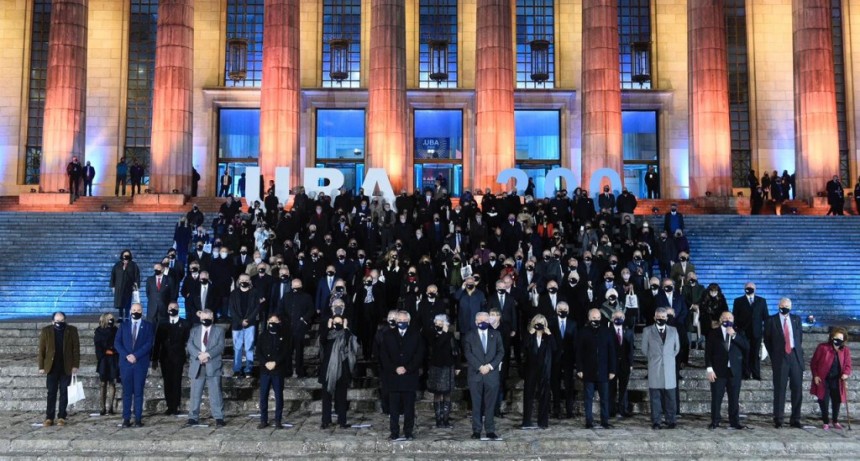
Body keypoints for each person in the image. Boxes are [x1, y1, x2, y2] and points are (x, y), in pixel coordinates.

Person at [380, 310, 425, 440]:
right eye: (399, 321)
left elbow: (419, 354)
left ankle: (408, 432)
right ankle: (394, 432)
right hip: (393, 377)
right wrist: (395, 368)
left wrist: (407, 368)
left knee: (409, 408)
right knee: (393, 408)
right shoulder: (388, 335)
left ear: (409, 322)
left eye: (404, 321)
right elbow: (384, 355)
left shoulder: (416, 335)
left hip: (409, 377)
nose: (402, 323)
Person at [763, 297, 804, 428]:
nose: (784, 307)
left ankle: (795, 419)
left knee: (797, 389)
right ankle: (778, 419)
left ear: (790, 307)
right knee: (780, 389)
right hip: (780, 358)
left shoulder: (796, 320)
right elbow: (767, 340)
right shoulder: (771, 320)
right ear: (778, 305)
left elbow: (799, 338)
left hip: (795, 357)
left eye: (787, 305)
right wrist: (774, 355)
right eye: (782, 305)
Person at [705, 311, 749, 429]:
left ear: (733, 320)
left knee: (734, 398)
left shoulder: (739, 332)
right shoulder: (713, 333)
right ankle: (715, 421)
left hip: (734, 371)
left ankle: (734, 422)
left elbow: (746, 346)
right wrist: (709, 369)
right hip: (718, 371)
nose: (727, 319)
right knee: (716, 397)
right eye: (724, 317)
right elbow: (708, 352)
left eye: (729, 317)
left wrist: (734, 335)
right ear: (720, 320)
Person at [463, 311, 504, 440]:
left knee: (490, 405)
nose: (483, 323)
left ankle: (490, 430)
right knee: (476, 405)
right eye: (480, 321)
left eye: (485, 321)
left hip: (491, 375)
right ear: (476, 322)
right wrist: (480, 367)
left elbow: (501, 352)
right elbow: (468, 353)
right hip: (476, 375)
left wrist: (490, 366)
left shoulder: (496, 334)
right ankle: (476, 430)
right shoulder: (469, 335)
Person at [114, 303, 155, 428]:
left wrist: (135, 355)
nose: (136, 312)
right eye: (134, 310)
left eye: (138, 310)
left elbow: (149, 343)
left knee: (138, 392)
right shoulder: (124, 326)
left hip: (140, 363)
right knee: (126, 392)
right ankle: (126, 418)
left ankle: (138, 418)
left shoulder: (148, 326)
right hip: (126, 364)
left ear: (142, 311)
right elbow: (117, 343)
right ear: (130, 311)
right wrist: (127, 355)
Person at [37, 312, 80, 427]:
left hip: (66, 366)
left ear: (65, 320)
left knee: (64, 392)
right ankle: (49, 417)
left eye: (61, 321)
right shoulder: (46, 331)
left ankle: (61, 416)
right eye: (57, 321)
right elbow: (41, 349)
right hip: (51, 367)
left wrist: (75, 365)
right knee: (51, 393)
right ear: (52, 321)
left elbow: (76, 349)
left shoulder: (72, 330)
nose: (59, 323)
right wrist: (41, 366)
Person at [576, 308, 616, 429]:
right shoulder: (583, 332)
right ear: (589, 318)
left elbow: (612, 352)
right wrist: (579, 369)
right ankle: (589, 421)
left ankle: (605, 421)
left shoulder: (607, 331)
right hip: (588, 371)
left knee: (605, 398)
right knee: (588, 398)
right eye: (594, 318)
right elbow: (579, 352)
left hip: (604, 371)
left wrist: (612, 370)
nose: (596, 320)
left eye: (598, 318)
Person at [186, 309, 226, 427]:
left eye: (208, 317)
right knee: (195, 393)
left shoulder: (219, 330)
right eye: (203, 317)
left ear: (212, 317)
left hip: (212, 364)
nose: (205, 320)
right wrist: (199, 355)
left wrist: (207, 354)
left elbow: (220, 346)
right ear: (200, 318)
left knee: (215, 393)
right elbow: (190, 344)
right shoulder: (194, 330)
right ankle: (193, 417)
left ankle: (219, 417)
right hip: (197, 365)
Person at [641, 307, 680, 429]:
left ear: (667, 318)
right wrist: (655, 358)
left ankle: (671, 420)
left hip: (669, 369)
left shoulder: (673, 331)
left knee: (670, 397)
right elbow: (644, 349)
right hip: (655, 367)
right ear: (654, 317)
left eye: (663, 317)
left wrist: (667, 358)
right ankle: (656, 421)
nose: (661, 319)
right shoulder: (647, 331)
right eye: (658, 317)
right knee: (655, 397)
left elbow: (676, 348)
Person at [319, 313, 359, 429]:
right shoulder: (328, 335)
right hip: (328, 371)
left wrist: (346, 327)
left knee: (341, 397)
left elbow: (351, 344)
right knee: (326, 397)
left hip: (342, 370)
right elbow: (322, 341)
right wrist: (328, 326)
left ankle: (342, 421)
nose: (337, 324)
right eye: (335, 322)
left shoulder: (347, 334)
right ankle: (326, 420)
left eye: (339, 323)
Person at [152, 303, 191, 415]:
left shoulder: (185, 323)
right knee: (167, 381)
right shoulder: (163, 323)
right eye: (170, 308)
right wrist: (154, 358)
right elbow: (157, 342)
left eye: (175, 308)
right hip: (165, 357)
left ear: (178, 309)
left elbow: (187, 341)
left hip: (178, 357)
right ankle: (169, 405)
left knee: (176, 380)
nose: (172, 310)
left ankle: (176, 405)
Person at [810, 327, 853, 430]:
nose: (837, 340)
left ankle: (835, 420)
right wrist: (815, 375)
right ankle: (825, 421)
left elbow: (848, 365)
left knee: (836, 400)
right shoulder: (822, 347)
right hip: (823, 379)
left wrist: (846, 373)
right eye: (835, 337)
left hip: (837, 380)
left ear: (843, 340)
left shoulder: (845, 350)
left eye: (840, 338)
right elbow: (814, 363)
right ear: (832, 337)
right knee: (823, 400)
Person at [521, 314, 556, 429]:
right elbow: (523, 348)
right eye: (537, 322)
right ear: (533, 323)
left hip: (544, 369)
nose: (539, 324)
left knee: (545, 395)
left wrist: (549, 334)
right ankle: (526, 421)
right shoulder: (529, 335)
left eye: (542, 322)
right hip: (531, 369)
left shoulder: (548, 336)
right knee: (528, 395)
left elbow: (555, 348)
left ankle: (543, 422)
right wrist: (529, 334)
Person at [276, 278, 315, 378]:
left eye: (298, 286)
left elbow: (311, 310)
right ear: (291, 286)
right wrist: (284, 320)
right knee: (287, 350)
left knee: (299, 351)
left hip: (300, 328)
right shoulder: (286, 296)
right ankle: (288, 370)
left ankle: (299, 370)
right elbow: (280, 310)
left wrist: (303, 319)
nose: (296, 288)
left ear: (301, 286)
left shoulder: (306, 297)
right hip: (287, 328)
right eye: (294, 286)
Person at [258, 313, 290, 429]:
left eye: (275, 321)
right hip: (265, 370)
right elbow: (259, 352)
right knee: (263, 396)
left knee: (278, 395)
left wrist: (275, 362)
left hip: (277, 370)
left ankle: (278, 420)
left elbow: (285, 352)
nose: (272, 323)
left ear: (279, 323)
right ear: (267, 322)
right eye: (270, 320)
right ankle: (263, 420)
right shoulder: (262, 336)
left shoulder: (284, 336)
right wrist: (265, 363)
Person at [732, 282, 768, 380]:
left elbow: (766, 317)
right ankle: (745, 374)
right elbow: (734, 317)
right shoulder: (738, 301)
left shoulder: (762, 301)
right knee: (745, 353)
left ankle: (756, 374)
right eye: (748, 287)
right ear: (744, 289)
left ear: (755, 289)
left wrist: (766, 332)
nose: (749, 289)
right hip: (743, 332)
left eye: (751, 287)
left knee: (755, 354)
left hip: (757, 332)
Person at [427, 314, 458, 429]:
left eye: (441, 323)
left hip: (448, 367)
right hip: (436, 367)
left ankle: (445, 419)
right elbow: (437, 347)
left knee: (447, 393)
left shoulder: (450, 335)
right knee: (438, 393)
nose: (439, 325)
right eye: (437, 323)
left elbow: (456, 351)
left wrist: (458, 366)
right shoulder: (432, 334)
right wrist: (444, 333)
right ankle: (438, 419)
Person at [548, 301, 577, 419]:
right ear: (556, 310)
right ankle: (556, 409)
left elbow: (575, 343)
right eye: (560, 308)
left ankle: (569, 410)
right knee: (555, 385)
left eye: (565, 308)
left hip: (568, 360)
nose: (562, 311)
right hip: (555, 359)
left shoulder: (573, 324)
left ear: (568, 311)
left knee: (569, 385)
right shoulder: (551, 323)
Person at [229, 274, 261, 378]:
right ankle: (237, 369)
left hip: (250, 324)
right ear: (239, 281)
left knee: (249, 347)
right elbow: (232, 309)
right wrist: (240, 321)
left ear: (249, 281)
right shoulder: (234, 293)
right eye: (242, 279)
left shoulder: (255, 292)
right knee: (237, 348)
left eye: (246, 279)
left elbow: (257, 307)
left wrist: (248, 320)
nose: (244, 281)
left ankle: (248, 369)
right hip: (237, 324)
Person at [609, 310, 634, 418]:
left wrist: (631, 363)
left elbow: (631, 349)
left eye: (621, 316)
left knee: (623, 388)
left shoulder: (628, 332)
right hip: (612, 364)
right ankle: (611, 410)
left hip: (625, 364)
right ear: (612, 318)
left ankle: (622, 409)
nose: (618, 318)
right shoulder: (607, 331)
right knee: (611, 388)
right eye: (616, 316)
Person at [93, 313, 119, 416]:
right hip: (104, 359)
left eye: (112, 319)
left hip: (113, 359)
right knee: (103, 383)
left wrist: (113, 350)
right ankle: (102, 407)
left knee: (112, 382)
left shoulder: (115, 330)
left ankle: (111, 407)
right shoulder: (99, 331)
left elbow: (118, 342)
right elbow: (98, 345)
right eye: (109, 319)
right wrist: (105, 352)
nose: (111, 320)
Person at [110, 249, 140, 322]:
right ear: (122, 255)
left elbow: (137, 276)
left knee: (127, 303)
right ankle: (120, 317)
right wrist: (113, 286)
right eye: (124, 255)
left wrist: (136, 287)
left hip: (129, 287)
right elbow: (113, 275)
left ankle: (127, 317)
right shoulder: (117, 265)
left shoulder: (133, 265)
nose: (126, 256)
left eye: (127, 255)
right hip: (119, 287)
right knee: (120, 302)